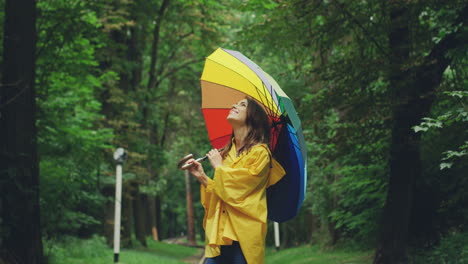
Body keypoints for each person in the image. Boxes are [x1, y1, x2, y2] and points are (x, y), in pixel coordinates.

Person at [186, 97, 286, 264]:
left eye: (242, 104)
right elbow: (222, 194)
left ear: (252, 116)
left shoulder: (260, 153)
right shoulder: (227, 152)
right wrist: (202, 177)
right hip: (221, 233)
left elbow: (240, 191)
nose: (234, 105)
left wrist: (219, 167)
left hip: (244, 235)